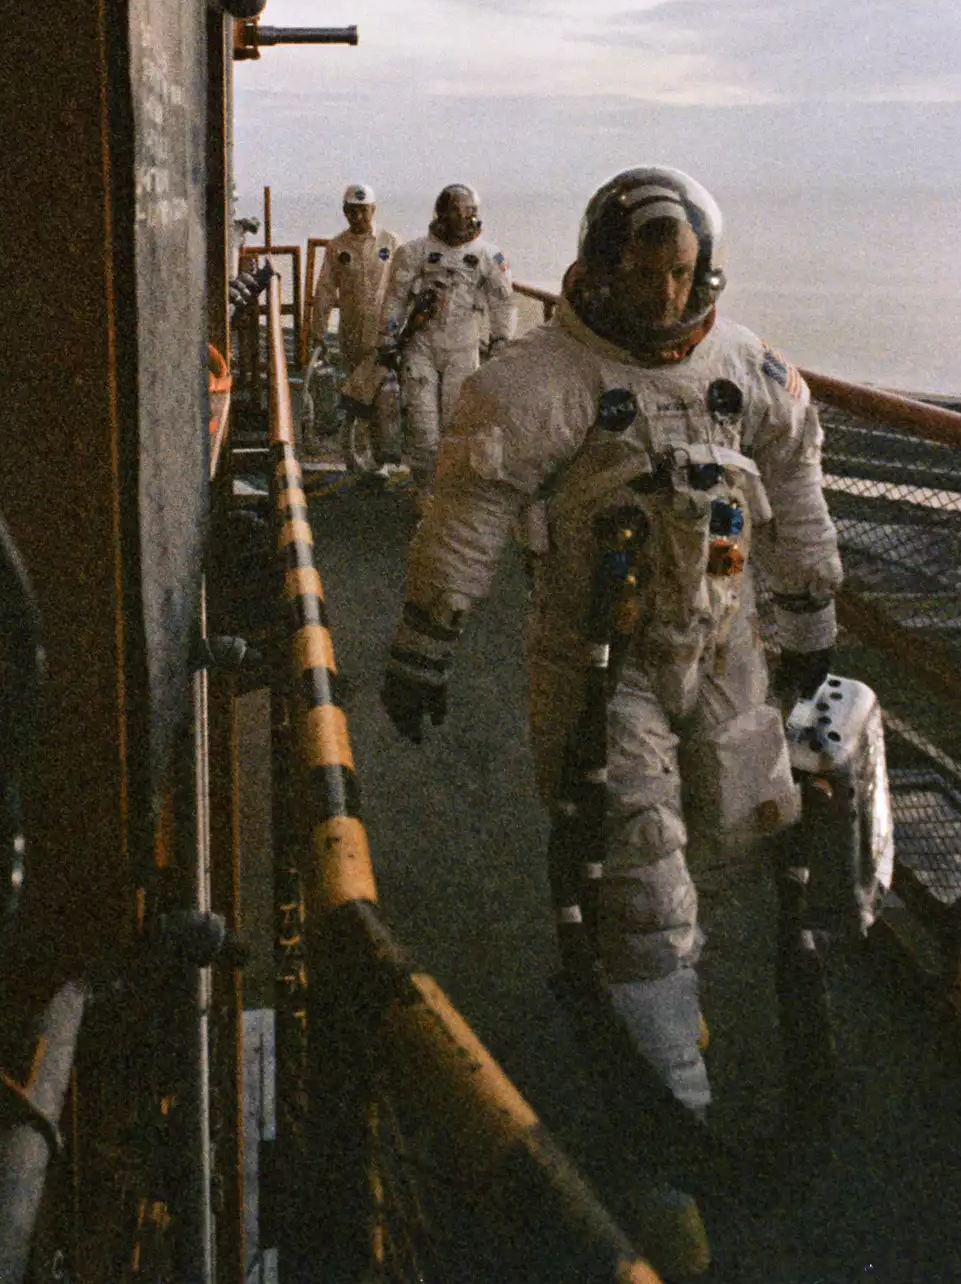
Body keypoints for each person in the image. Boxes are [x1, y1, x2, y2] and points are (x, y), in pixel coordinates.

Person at [380, 167, 841, 1119]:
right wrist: (425, 643)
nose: (664, 294)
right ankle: (673, 1086)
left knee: (743, 816)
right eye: (646, 273)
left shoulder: (744, 370)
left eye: (680, 274)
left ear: (703, 269)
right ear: (602, 266)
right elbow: (465, 514)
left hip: (723, 642)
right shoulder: (543, 381)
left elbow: (793, 483)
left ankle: (641, 1002)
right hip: (600, 658)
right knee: (641, 856)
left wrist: (809, 616)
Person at [377, 184, 515, 489]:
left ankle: (450, 493)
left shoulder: (488, 256)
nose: (465, 219)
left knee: (459, 423)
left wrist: (501, 339)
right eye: (458, 211)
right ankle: (427, 492)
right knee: (423, 425)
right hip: (422, 347)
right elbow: (396, 298)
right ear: (443, 214)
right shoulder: (415, 252)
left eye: (470, 213)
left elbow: (502, 302)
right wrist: (387, 337)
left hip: (464, 349)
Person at [309, 185, 401, 470]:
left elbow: (404, 285)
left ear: (373, 210)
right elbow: (324, 290)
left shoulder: (390, 241)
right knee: (354, 394)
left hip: (385, 333)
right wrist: (318, 331)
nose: (357, 216)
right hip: (351, 332)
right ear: (344, 211)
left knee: (382, 395)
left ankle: (379, 457)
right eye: (351, 210)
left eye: (363, 210)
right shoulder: (336, 247)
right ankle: (354, 456)